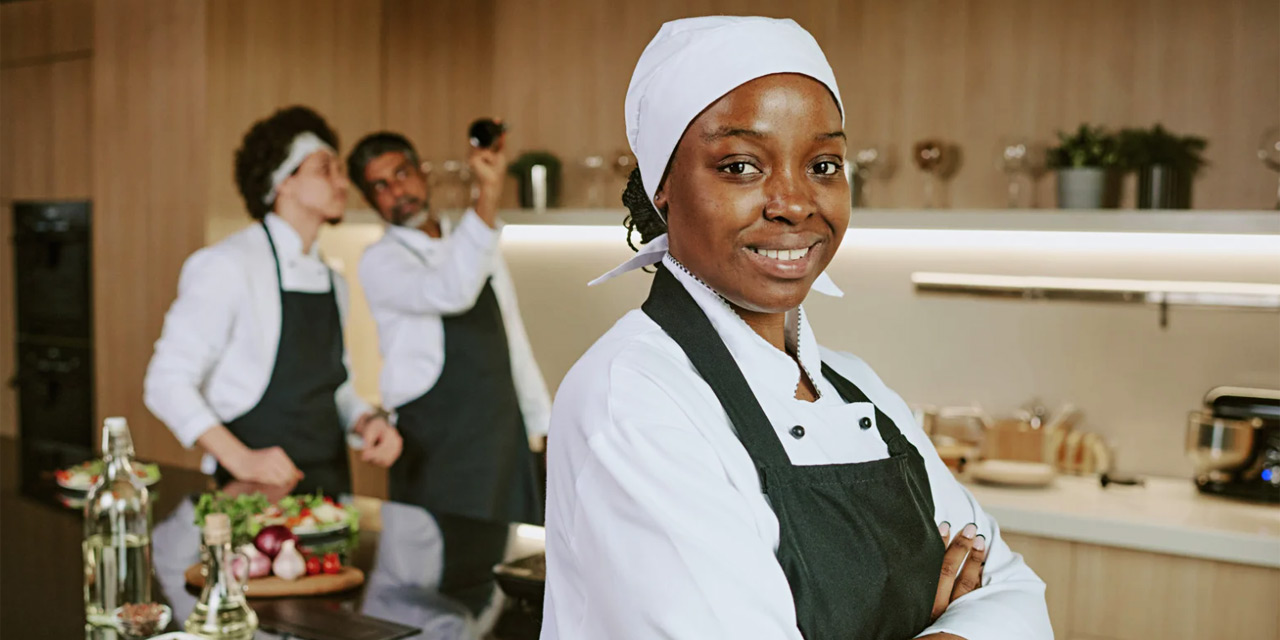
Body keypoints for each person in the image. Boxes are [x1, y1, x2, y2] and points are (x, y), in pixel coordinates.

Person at [541, 16, 1053, 640]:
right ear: (662, 190)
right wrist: (936, 616)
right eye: (739, 166)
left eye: (824, 164)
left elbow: (1019, 596)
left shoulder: (858, 388)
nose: (794, 201)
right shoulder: (633, 399)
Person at [145, 106, 401, 496]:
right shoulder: (228, 266)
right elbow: (165, 381)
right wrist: (241, 459)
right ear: (283, 181)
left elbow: (335, 386)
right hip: (250, 494)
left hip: (330, 490)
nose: (342, 182)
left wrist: (367, 421)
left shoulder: (333, 280)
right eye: (325, 169)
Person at [346, 131, 549, 527]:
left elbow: (511, 333)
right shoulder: (380, 261)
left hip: (502, 434)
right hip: (435, 446)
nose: (396, 190)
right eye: (380, 186)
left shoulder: (469, 241)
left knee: (514, 563)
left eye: (401, 173)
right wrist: (487, 193)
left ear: (423, 172)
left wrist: (542, 423)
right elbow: (452, 291)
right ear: (371, 200)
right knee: (441, 574)